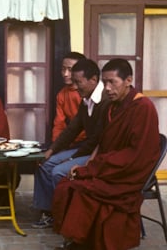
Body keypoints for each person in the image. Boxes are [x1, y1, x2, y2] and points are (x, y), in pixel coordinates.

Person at [52, 58, 160, 250]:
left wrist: (95, 168)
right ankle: (82, 240)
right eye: (106, 82)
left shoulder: (143, 107)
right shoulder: (113, 106)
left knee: (85, 189)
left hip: (129, 173)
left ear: (128, 80)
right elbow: (103, 144)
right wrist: (88, 166)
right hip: (113, 166)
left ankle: (88, 242)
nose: (108, 88)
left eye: (113, 82)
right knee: (68, 183)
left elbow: (135, 155)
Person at [32, 59, 110, 229]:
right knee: (44, 164)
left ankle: (66, 219)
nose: (74, 86)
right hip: (86, 149)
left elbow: (96, 141)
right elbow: (71, 130)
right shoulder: (86, 98)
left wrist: (71, 158)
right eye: (73, 81)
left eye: (78, 82)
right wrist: (52, 150)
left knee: (59, 171)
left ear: (94, 80)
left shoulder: (105, 101)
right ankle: (48, 212)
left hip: (98, 153)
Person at [52, 52, 86, 142]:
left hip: (87, 141)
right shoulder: (62, 94)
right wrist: (55, 144)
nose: (65, 74)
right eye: (63, 69)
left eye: (70, 70)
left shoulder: (87, 93)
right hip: (70, 141)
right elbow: (59, 124)